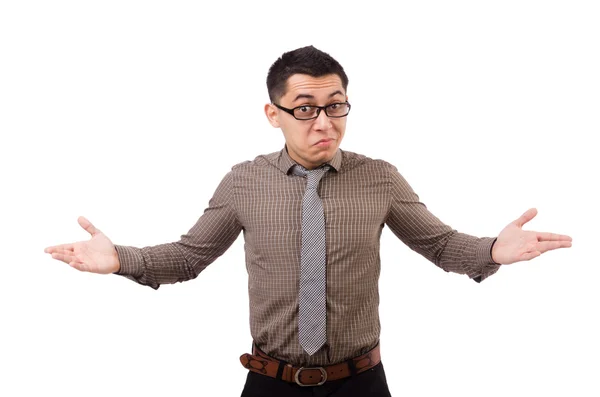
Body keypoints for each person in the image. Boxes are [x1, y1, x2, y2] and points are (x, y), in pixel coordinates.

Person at [44, 45, 572, 397]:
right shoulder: (243, 181)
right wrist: (119, 260)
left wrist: (491, 252)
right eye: (305, 107)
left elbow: (439, 244)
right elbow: (189, 256)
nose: (324, 121)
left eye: (336, 105)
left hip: (362, 382)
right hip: (270, 382)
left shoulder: (380, 178)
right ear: (273, 113)